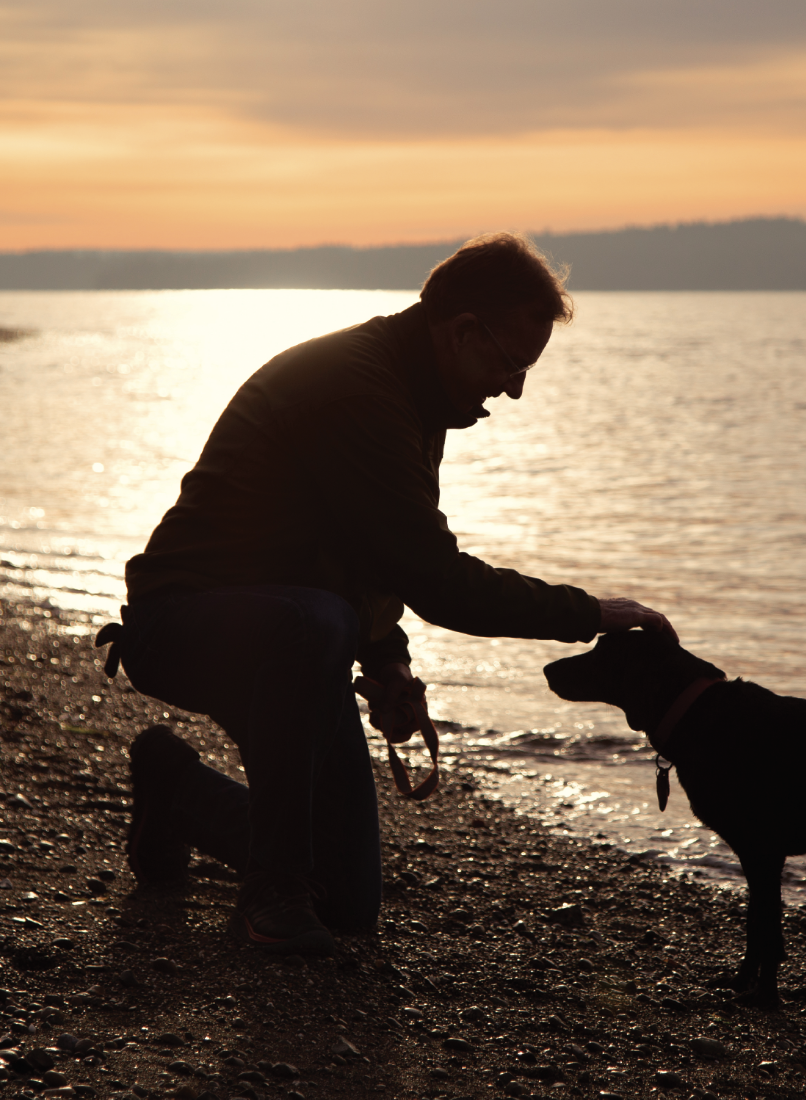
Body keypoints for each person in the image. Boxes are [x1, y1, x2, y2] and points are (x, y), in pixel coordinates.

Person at [103, 232, 671, 954]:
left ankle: (174, 789)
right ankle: (270, 893)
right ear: (464, 330)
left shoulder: (412, 390)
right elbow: (436, 579)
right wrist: (590, 613)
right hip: (182, 625)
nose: (515, 388)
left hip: (290, 639)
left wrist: (387, 659)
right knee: (314, 621)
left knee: (348, 901)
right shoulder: (358, 389)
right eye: (510, 363)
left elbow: (365, 551)